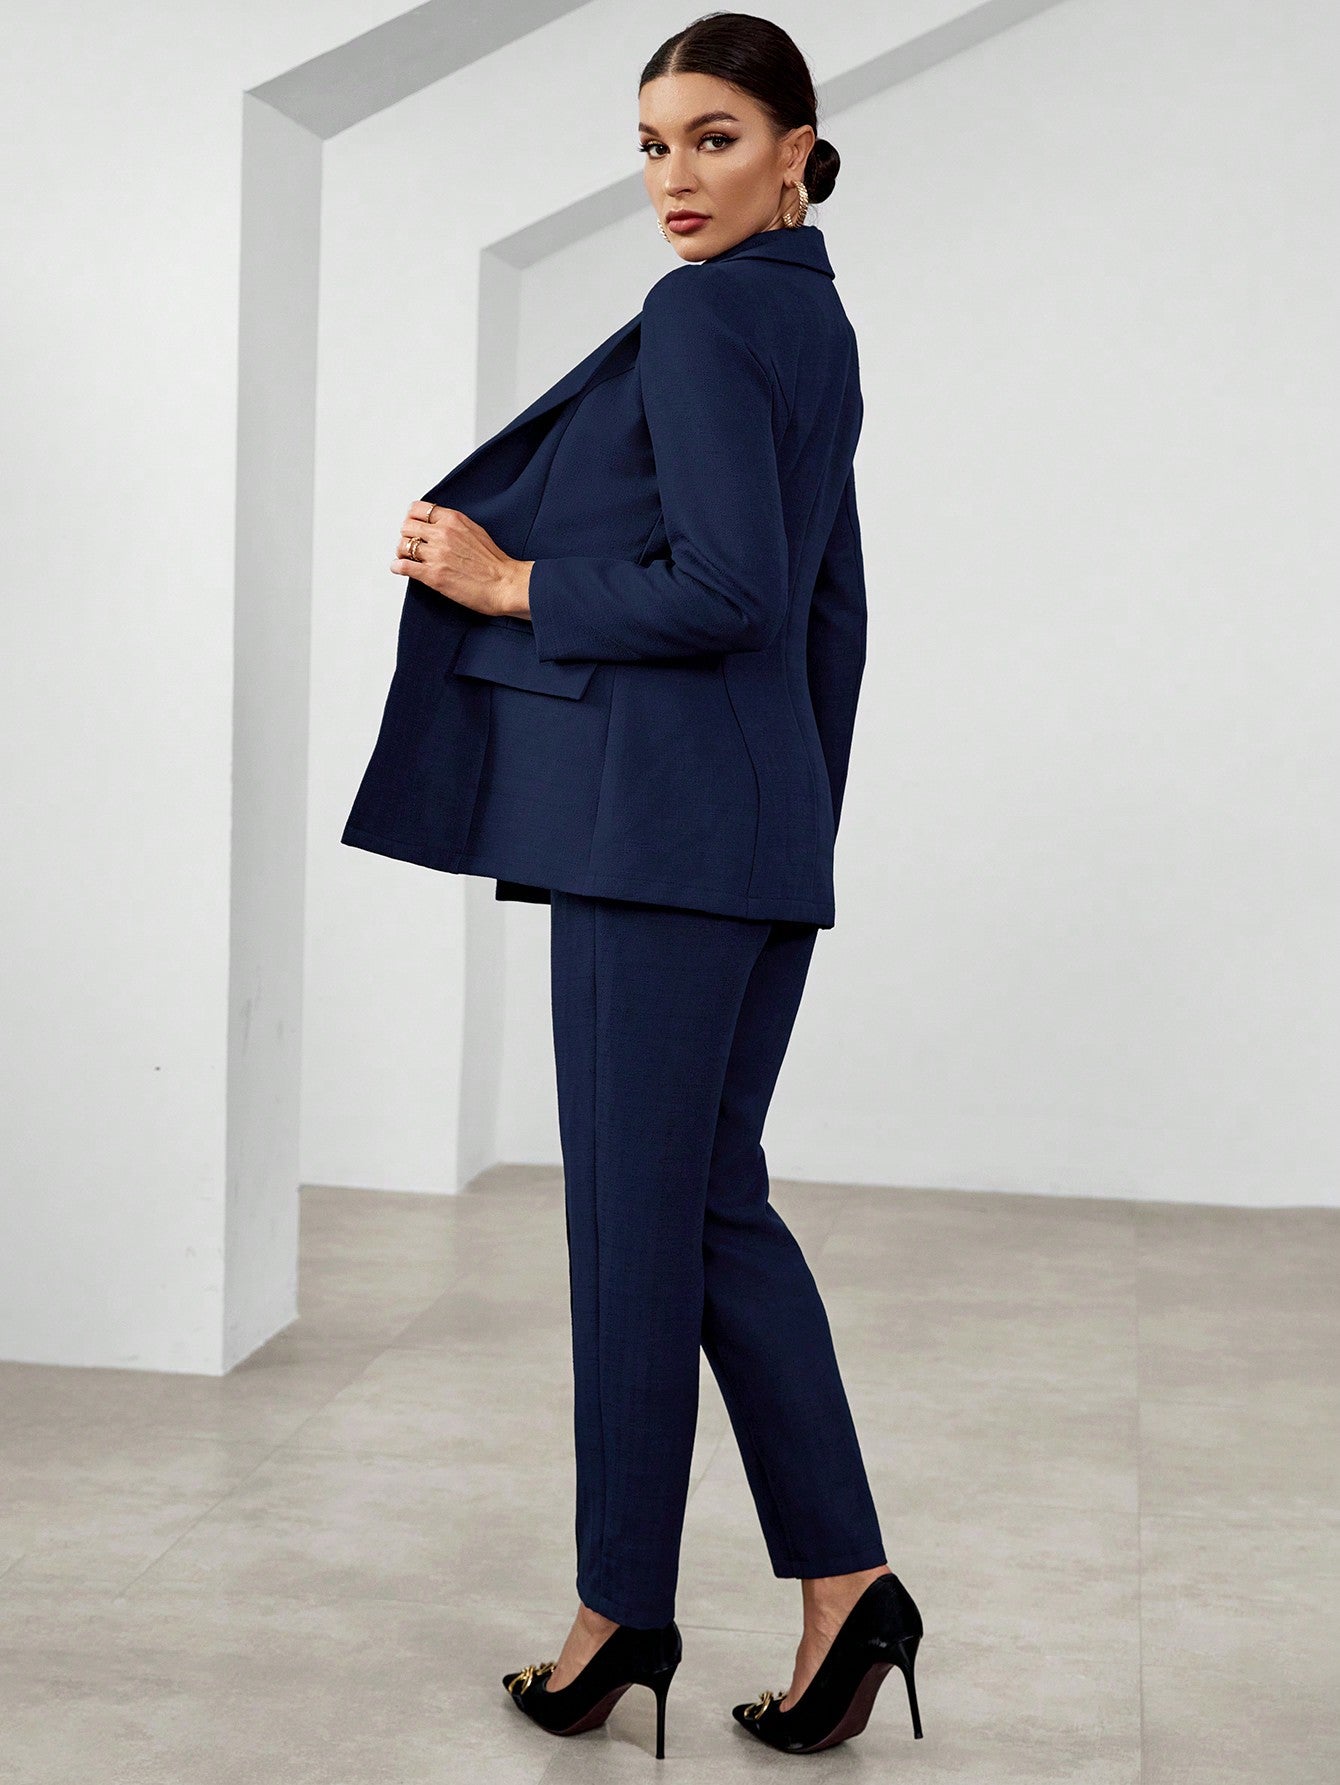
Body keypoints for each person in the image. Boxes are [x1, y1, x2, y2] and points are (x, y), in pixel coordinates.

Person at [342, 11, 925, 1761]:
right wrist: (796, 823)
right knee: (708, 1207)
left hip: (659, 838)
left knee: (633, 1222)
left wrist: (511, 580)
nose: (677, 177)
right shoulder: (813, 319)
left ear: (799, 149)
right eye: (655, 145)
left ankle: (620, 1611)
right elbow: (831, 613)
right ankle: (846, 1587)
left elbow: (733, 589)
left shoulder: (705, 315)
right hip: (749, 835)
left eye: (716, 138)